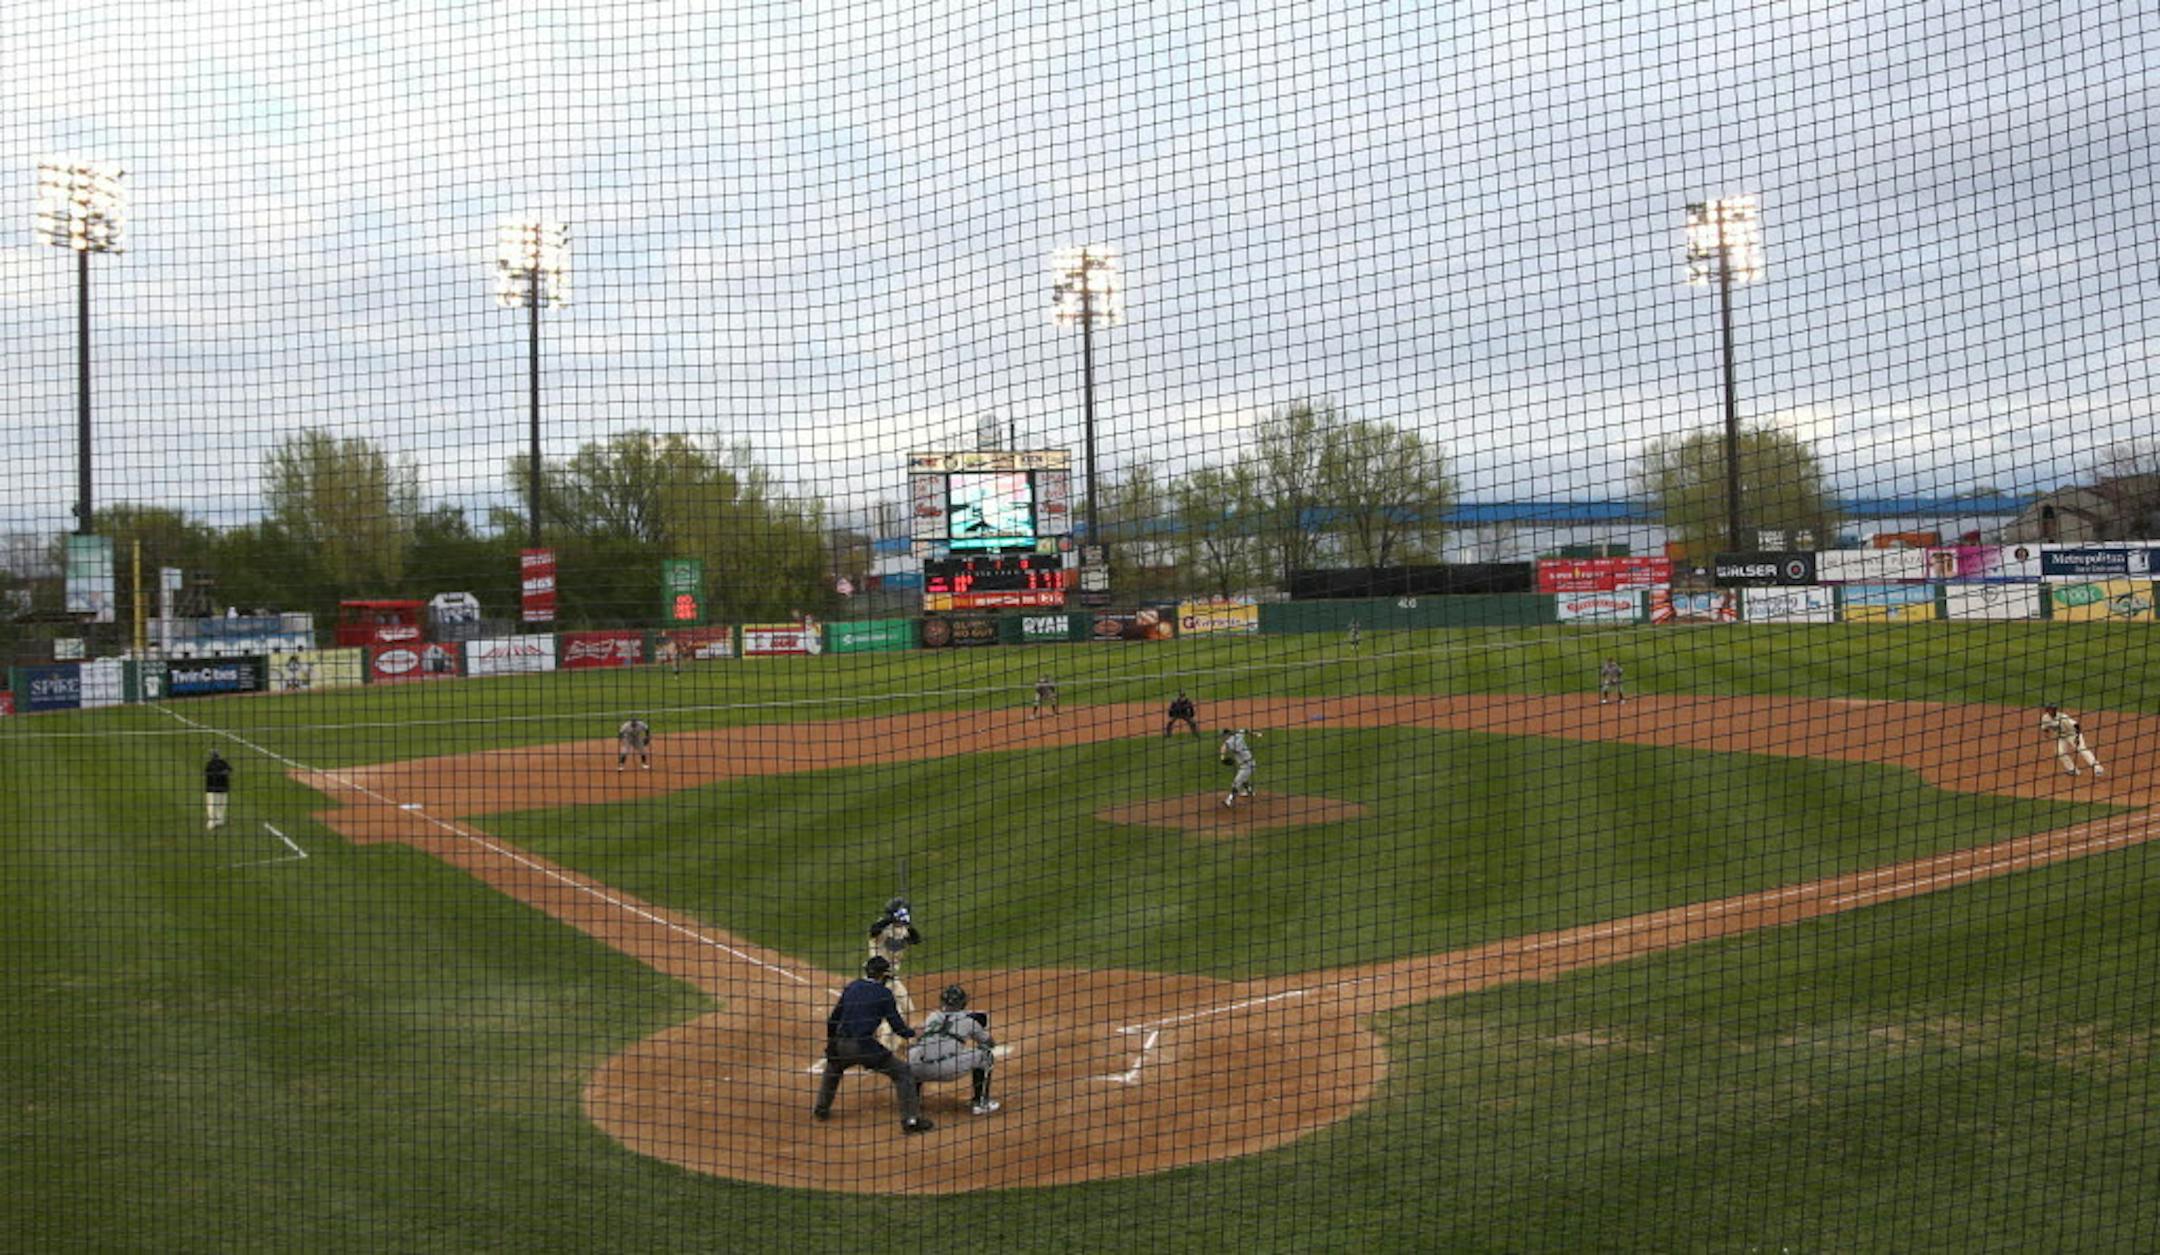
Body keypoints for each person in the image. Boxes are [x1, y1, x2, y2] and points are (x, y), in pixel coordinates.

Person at [813, 956, 933, 1133]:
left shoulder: (852, 987)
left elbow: (833, 1020)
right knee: (902, 1072)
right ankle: (911, 1121)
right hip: (864, 1047)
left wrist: (832, 1045)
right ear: (883, 976)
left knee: (833, 1068)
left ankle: (821, 1109)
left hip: (841, 1042)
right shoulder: (885, 995)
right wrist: (914, 1033)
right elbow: (897, 1027)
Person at [909, 984, 1000, 1116]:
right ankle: (981, 1103)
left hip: (916, 1070)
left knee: (915, 1052)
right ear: (963, 1002)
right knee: (985, 1055)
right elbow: (989, 1043)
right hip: (947, 1070)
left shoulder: (932, 1016)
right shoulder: (969, 1021)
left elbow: (917, 1037)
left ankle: (912, 1102)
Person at [868, 897, 921, 1052]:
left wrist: (907, 923)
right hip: (879, 978)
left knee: (908, 1008)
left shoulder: (904, 930)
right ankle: (883, 1052)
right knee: (892, 1015)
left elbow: (916, 939)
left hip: (893, 978)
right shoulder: (882, 927)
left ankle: (899, 1040)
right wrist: (891, 919)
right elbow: (874, 930)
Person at [2041, 703, 2106, 777]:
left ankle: (2098, 768)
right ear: (2047, 710)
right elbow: (2045, 727)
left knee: (2082, 749)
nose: (2053, 710)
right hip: (2061, 737)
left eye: (2054, 709)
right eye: (2051, 709)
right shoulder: (2045, 718)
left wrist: (2077, 738)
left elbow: (2077, 726)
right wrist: (2046, 733)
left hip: (2073, 734)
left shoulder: (2063, 717)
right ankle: (2072, 770)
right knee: (2060, 752)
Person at [1219, 727, 1261, 807]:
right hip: (1250, 762)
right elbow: (1246, 730)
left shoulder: (1229, 741)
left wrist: (1222, 758)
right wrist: (1256, 734)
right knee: (1242, 778)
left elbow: (1223, 747)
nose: (1222, 737)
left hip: (1246, 766)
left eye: (1223, 735)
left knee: (1236, 783)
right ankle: (1249, 791)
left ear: (1227, 734)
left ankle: (1229, 800)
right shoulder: (1238, 734)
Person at [203, 749, 232, 831]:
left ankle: (215, 821)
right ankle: (216, 821)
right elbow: (228, 770)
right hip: (221, 788)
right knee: (219, 805)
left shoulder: (210, 764)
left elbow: (228, 770)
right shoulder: (220, 763)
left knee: (213, 805)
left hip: (214, 789)